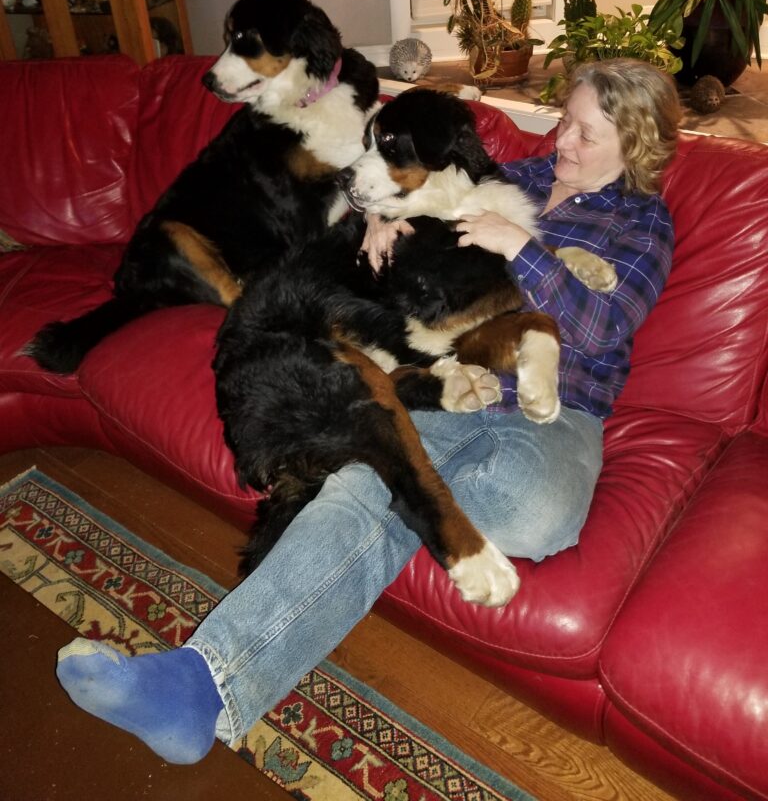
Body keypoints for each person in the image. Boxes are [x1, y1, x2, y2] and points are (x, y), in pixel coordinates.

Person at [55, 57, 680, 764]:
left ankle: (382, 492)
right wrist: (376, 220)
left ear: (635, 144)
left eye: (586, 135)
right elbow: (409, 200)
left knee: (531, 513)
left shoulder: (643, 224)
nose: (561, 141)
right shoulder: (520, 177)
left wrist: (521, 248)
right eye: (564, 120)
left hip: (556, 411)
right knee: (372, 477)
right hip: (443, 382)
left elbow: (601, 329)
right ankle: (197, 688)